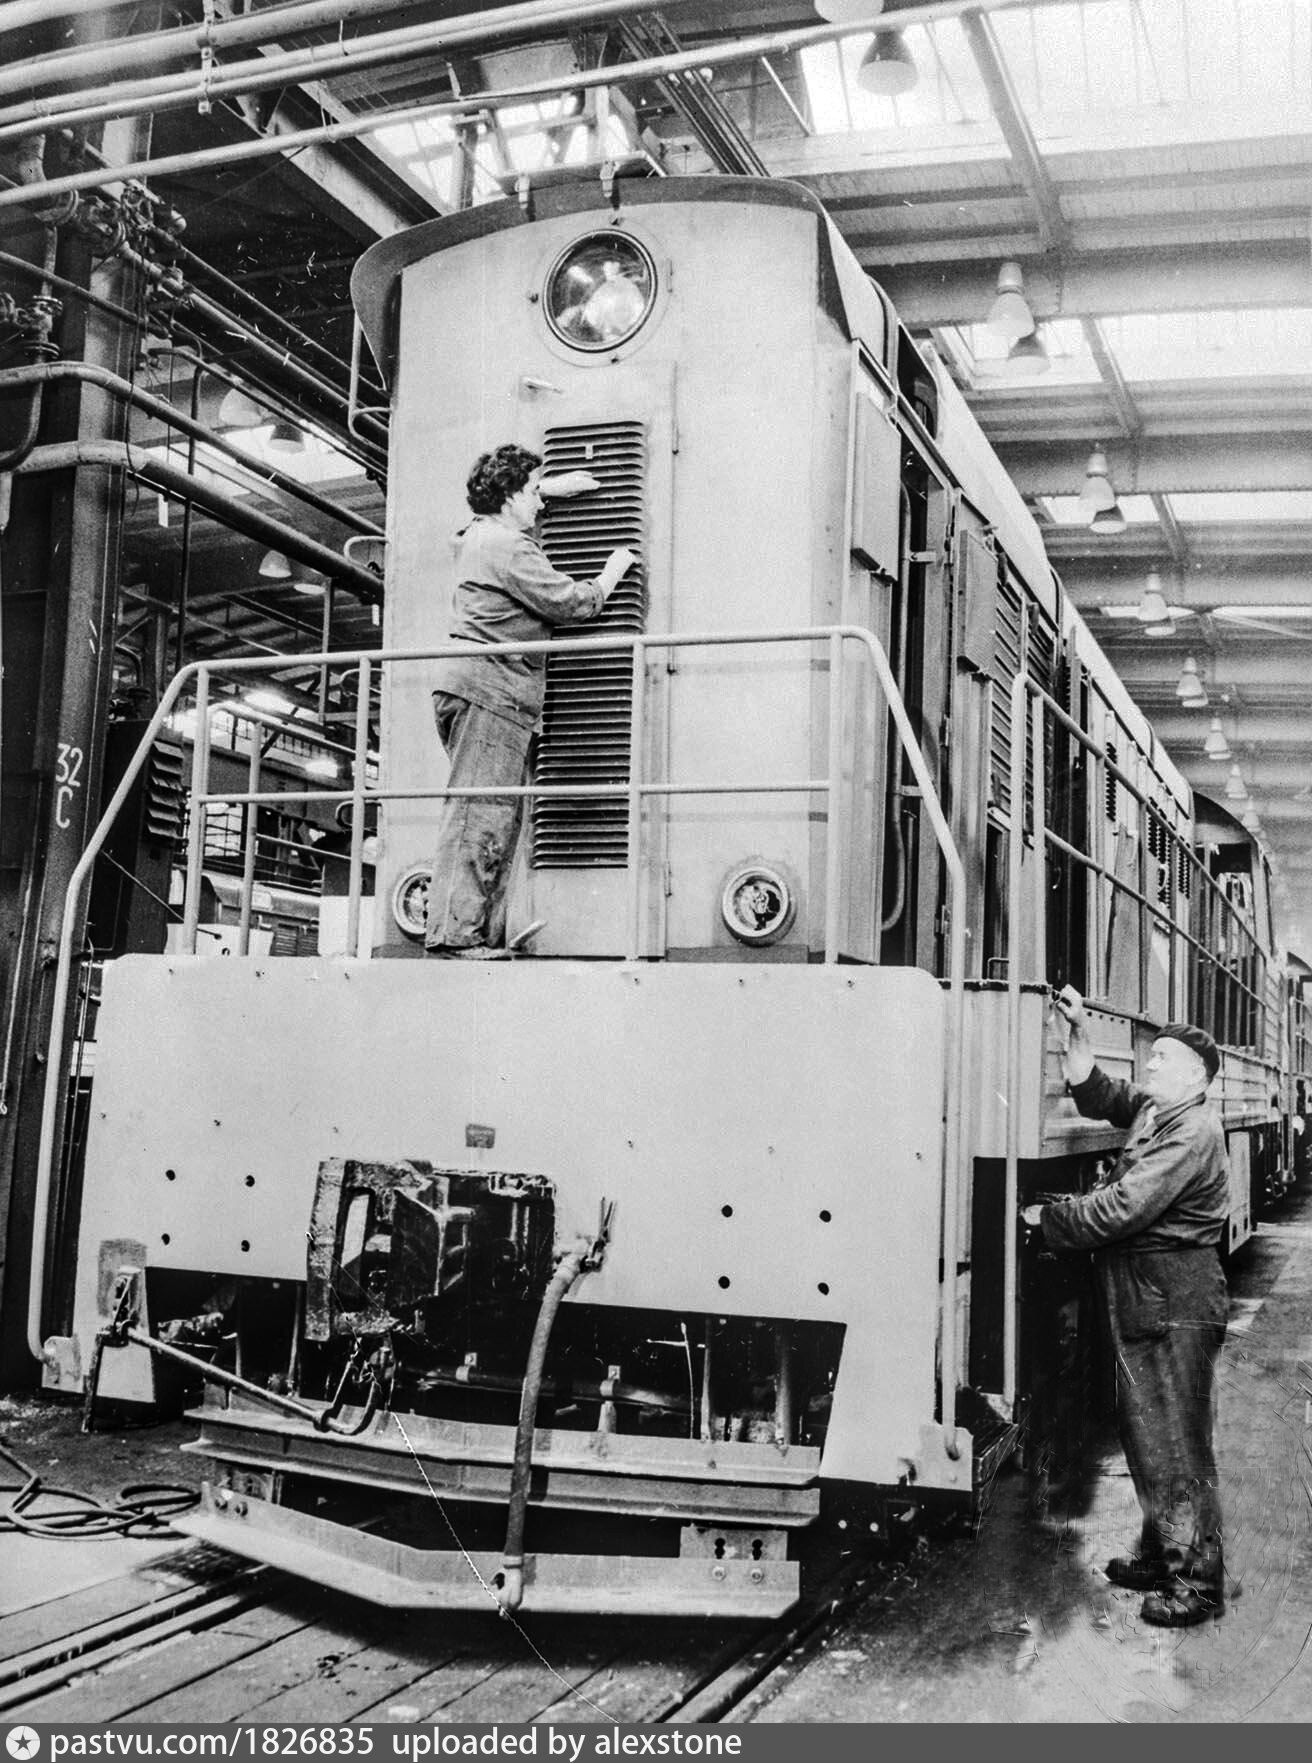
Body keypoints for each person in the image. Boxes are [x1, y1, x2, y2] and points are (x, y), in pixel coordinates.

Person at [1022, 987, 1230, 1628]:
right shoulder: (1157, 1112)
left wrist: (1048, 1220)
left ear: (1196, 1077)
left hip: (1176, 1298)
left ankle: (1197, 1582)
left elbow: (1122, 1207)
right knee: (1146, 1432)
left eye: (1163, 1059)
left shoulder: (1191, 1132)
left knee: (1176, 1443)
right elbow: (1101, 1094)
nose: (1151, 1064)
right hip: (1149, 1295)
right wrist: (1077, 1032)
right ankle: (1163, 1555)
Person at [425, 443, 636, 958]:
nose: (540, 502)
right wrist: (613, 571)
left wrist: (546, 488)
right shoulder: (509, 547)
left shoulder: (476, 536)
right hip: (491, 691)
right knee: (482, 814)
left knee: (497, 814)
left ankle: (476, 936)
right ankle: (455, 936)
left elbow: (485, 523)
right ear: (509, 496)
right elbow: (570, 603)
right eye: (532, 492)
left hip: (482, 692)